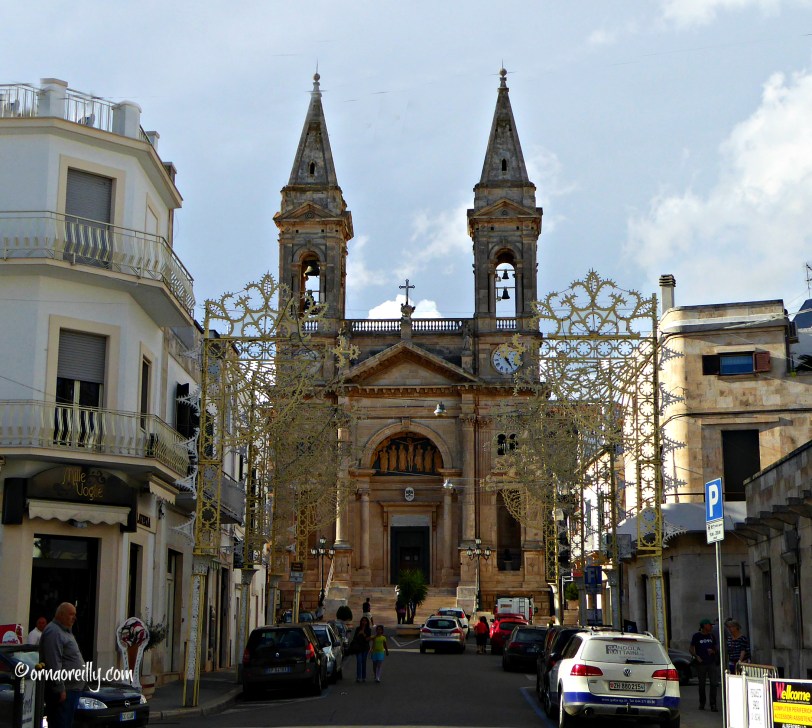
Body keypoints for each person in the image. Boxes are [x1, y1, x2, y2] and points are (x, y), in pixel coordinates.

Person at [40, 602, 86, 728]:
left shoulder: (65, 631)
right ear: (61, 614)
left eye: (75, 615)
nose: (74, 618)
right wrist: (59, 688)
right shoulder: (54, 632)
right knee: (60, 723)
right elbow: (54, 662)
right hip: (64, 692)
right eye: (71, 614)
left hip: (72, 689)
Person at [689, 618, 719, 711]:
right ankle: (702, 703)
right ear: (704, 626)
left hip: (711, 662)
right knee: (701, 684)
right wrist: (696, 656)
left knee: (713, 683)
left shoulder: (711, 636)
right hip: (701, 663)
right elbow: (691, 648)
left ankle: (713, 704)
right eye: (709, 625)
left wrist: (713, 651)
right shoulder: (696, 636)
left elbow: (716, 648)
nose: (711, 626)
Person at [351, 616, 372, 682]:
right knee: (359, 661)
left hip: (365, 648)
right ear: (361, 622)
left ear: (367, 622)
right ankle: (358, 677)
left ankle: (363, 677)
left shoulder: (368, 630)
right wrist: (358, 634)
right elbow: (354, 638)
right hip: (358, 647)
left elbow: (368, 639)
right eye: (363, 621)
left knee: (363, 662)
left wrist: (363, 634)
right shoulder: (358, 629)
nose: (364, 622)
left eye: (365, 621)